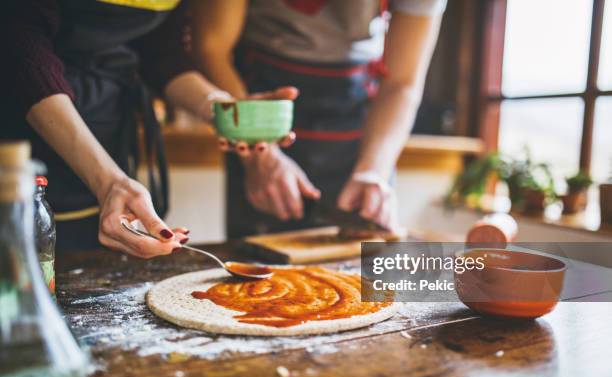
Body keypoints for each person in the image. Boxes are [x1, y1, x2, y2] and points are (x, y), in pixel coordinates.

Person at [0, 0, 288, 257]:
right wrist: (108, 180)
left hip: (107, 129)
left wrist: (223, 109)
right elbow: (20, 46)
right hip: (21, 138)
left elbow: (161, 51)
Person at [193, 0, 446, 239]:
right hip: (256, 108)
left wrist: (374, 171)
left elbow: (402, 83)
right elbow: (212, 48)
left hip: (360, 125)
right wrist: (257, 149)